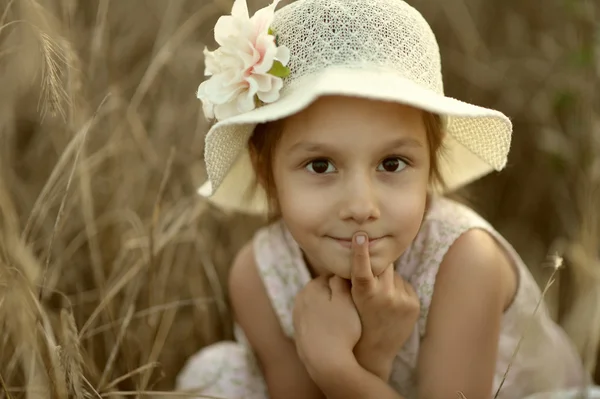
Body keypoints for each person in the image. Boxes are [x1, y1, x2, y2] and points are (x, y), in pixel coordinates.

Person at [176, 0, 587, 397]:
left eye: (392, 164)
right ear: (266, 172)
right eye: (320, 166)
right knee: (216, 376)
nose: (360, 206)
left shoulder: (463, 261)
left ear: (430, 161)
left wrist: (335, 369)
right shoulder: (259, 275)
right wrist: (372, 359)